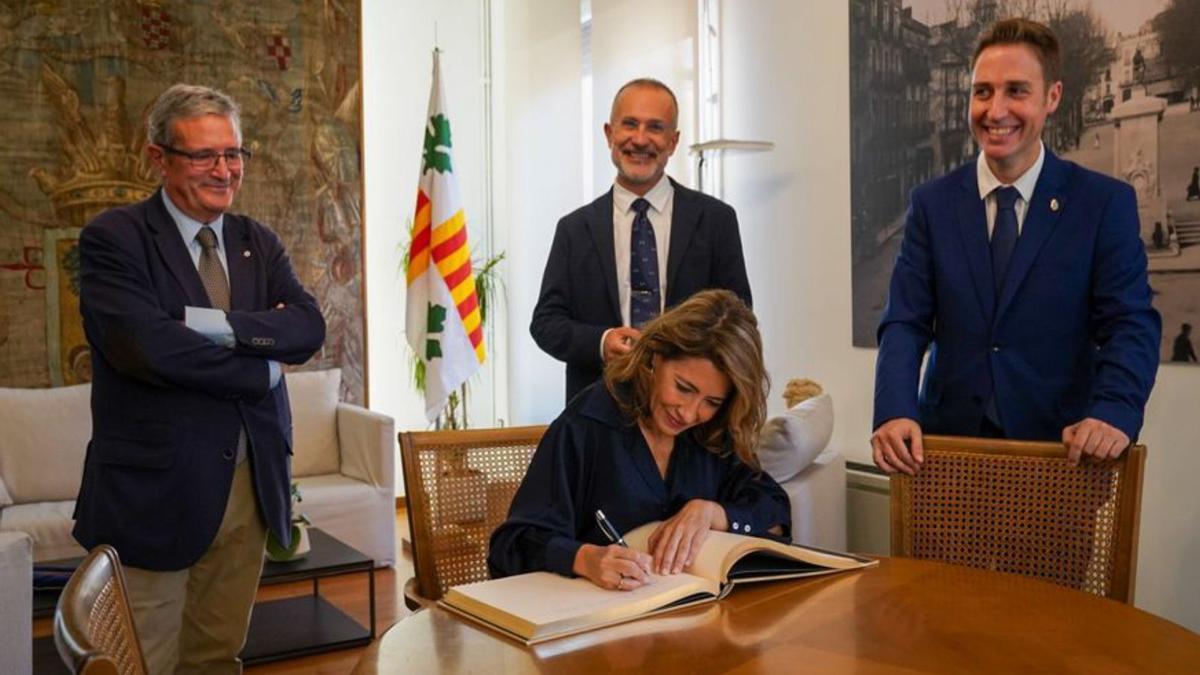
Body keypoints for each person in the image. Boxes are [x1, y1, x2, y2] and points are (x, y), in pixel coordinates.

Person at [72, 84, 325, 674]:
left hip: (249, 487)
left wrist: (217, 328)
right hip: (155, 493)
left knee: (217, 655)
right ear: (158, 158)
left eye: (233, 154)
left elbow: (308, 329)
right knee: (145, 662)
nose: (224, 169)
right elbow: (149, 350)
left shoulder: (255, 243)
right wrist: (263, 358)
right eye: (204, 155)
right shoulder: (115, 240)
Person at [872, 18, 1160, 474]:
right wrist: (893, 409)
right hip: (944, 454)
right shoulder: (932, 204)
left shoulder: (1103, 204)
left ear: (1052, 98)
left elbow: (1130, 324)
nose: (995, 109)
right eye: (982, 91)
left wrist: (1114, 411)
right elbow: (905, 322)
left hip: (1062, 457)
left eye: (1016, 91)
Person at [491, 290, 789, 590]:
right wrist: (584, 558)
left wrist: (715, 513)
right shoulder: (586, 425)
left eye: (711, 401)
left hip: (698, 618)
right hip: (599, 623)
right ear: (655, 356)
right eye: (683, 387)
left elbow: (775, 508)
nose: (688, 414)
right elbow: (511, 546)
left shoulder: (712, 432)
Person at [530, 78, 752, 404]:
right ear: (609, 134)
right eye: (630, 124)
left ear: (673, 141)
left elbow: (739, 318)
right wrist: (601, 342)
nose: (640, 139)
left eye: (655, 127)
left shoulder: (716, 220)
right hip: (599, 415)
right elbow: (546, 324)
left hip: (691, 419)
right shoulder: (574, 229)